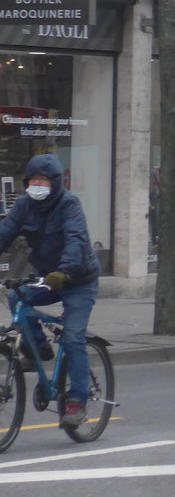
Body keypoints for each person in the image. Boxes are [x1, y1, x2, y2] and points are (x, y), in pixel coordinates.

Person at [0, 153, 101, 429]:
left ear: (55, 182)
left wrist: (64, 270)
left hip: (78, 279)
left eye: (43, 180)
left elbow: (75, 238)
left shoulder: (69, 204)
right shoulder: (23, 206)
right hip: (47, 277)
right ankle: (40, 351)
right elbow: (4, 232)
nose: (37, 185)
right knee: (16, 298)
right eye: (33, 180)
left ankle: (77, 403)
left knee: (72, 337)